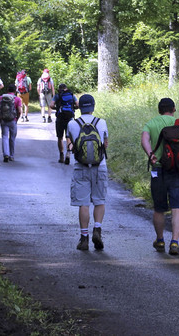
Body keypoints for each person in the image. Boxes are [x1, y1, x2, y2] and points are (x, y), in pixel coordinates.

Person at [141, 98, 179, 256]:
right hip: (177, 169)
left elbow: (144, 140)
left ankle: (160, 240)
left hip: (158, 169)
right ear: (173, 109)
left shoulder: (151, 123)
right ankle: (175, 241)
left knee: (159, 209)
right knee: (177, 207)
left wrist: (151, 154)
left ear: (159, 110)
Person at [67, 94, 109, 251]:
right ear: (93, 106)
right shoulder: (102, 122)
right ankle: (97, 229)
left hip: (81, 167)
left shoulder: (72, 124)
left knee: (83, 203)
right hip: (100, 167)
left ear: (79, 107)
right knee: (99, 200)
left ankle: (84, 238)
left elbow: (71, 144)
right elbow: (105, 144)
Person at [50, 83, 78, 164]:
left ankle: (61, 155)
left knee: (60, 137)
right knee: (68, 137)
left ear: (59, 89)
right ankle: (68, 153)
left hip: (60, 118)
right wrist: (73, 108)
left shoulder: (58, 96)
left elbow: (51, 105)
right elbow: (78, 104)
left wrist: (57, 108)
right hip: (70, 118)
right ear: (66, 88)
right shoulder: (71, 95)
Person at [0, 84, 22, 163]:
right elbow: (20, 111)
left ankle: (5, 154)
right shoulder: (17, 99)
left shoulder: (1, 98)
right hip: (13, 120)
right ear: (15, 91)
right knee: (12, 138)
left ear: (7, 90)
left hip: (3, 120)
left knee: (4, 137)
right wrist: (16, 118)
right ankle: (11, 156)